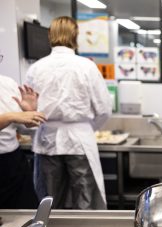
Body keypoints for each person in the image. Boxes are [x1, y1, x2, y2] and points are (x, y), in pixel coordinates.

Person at [25, 16, 112, 209]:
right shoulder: (86, 66)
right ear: (76, 35)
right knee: (85, 200)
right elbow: (104, 109)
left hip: (47, 141)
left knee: (49, 203)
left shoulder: (36, 68)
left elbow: (28, 110)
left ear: (50, 35)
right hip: (79, 141)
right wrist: (87, 128)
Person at [0, 74, 45, 209]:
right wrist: (10, 116)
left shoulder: (8, 84)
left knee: (26, 216)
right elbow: (12, 118)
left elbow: (22, 128)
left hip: (12, 161)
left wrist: (30, 113)